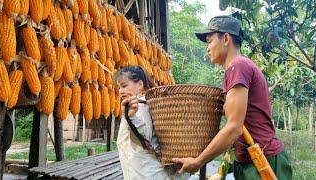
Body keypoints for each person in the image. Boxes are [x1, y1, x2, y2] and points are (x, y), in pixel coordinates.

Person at [172, 15, 292, 179]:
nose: (207, 48)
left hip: (262, 163)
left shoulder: (238, 66)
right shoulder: (235, 69)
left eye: (210, 41)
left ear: (226, 38)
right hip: (249, 161)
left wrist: (198, 161)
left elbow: (234, 127)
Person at [115, 66, 189, 180]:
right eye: (119, 87)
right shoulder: (141, 104)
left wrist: (132, 117)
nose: (120, 91)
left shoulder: (141, 106)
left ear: (140, 85)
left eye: (124, 86)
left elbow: (144, 138)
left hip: (147, 174)